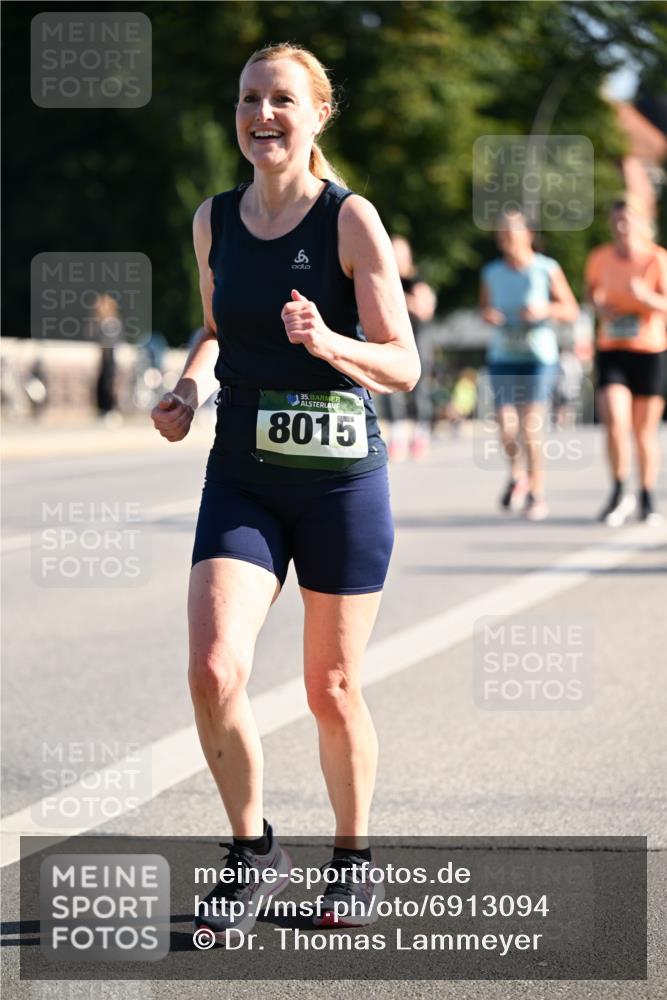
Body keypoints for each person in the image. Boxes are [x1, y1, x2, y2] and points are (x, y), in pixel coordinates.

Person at [151, 43, 420, 940]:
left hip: (341, 482)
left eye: (280, 100)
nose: (261, 115)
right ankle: (251, 853)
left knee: (331, 687)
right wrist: (191, 385)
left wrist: (330, 344)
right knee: (213, 667)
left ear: (316, 116)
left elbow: (404, 364)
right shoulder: (213, 218)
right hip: (243, 477)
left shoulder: (350, 222)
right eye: (248, 100)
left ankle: (352, 861)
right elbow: (219, 326)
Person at [480, 210, 579, 520]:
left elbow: (571, 310)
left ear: (528, 235)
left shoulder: (546, 269)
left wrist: (545, 309)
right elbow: (484, 306)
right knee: (506, 426)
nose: (508, 238)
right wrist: (489, 315)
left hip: (538, 357)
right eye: (503, 233)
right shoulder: (492, 272)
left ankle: (537, 492)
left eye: (513, 231)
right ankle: (517, 475)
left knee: (531, 427)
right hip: (503, 356)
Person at [585, 193, 667, 526]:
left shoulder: (657, 259)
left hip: (649, 349)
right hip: (612, 348)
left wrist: (646, 298)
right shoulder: (600, 258)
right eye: (616, 220)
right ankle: (619, 491)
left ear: (641, 221)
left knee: (643, 432)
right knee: (615, 422)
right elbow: (590, 292)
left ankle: (647, 495)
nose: (621, 226)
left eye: (627, 219)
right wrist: (599, 306)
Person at [382, 236, 436, 460]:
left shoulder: (416, 281)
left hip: (417, 340)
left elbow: (424, 310)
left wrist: (400, 297)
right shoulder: (383, 277)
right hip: (390, 338)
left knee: (419, 389)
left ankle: (421, 434)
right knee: (389, 387)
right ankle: (397, 435)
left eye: (400, 254)